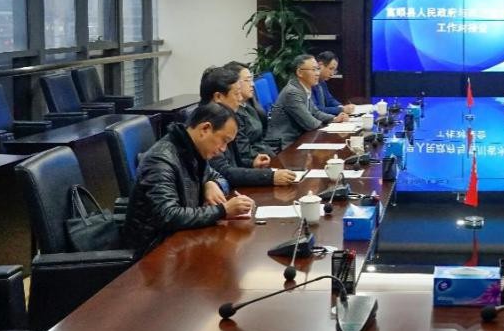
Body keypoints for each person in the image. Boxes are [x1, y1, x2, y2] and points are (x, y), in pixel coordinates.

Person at [123, 101, 254, 256]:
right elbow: (168, 215)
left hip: (182, 241)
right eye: (224, 141)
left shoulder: (194, 150)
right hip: (155, 252)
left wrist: (211, 183)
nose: (223, 149)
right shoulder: (161, 160)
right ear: (205, 129)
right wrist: (223, 210)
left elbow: (220, 177)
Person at [200, 65, 297, 187]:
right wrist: (270, 177)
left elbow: (234, 163)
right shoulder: (208, 126)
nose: (240, 98)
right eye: (236, 94)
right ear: (218, 97)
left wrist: (252, 164)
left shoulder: (225, 119)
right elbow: (224, 171)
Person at [265, 54, 348, 148]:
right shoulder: (292, 93)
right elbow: (310, 123)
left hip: (299, 139)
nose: (317, 73)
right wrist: (331, 126)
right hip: (285, 145)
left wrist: (334, 119)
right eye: (313, 70)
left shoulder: (303, 88)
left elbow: (315, 112)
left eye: (317, 69)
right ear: (299, 72)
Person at [313, 51, 355, 116]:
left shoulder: (322, 82)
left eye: (334, 70)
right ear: (320, 65)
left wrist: (342, 107)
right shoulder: (310, 83)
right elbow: (316, 109)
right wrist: (341, 109)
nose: (332, 74)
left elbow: (330, 100)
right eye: (331, 69)